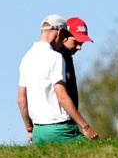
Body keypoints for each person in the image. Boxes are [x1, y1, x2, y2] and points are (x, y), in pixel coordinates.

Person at [17, 14, 99, 145]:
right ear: (60, 32)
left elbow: (21, 100)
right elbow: (62, 96)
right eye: (65, 36)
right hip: (61, 129)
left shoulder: (26, 58)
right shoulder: (55, 57)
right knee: (99, 152)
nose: (64, 40)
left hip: (38, 131)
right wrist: (85, 127)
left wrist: (29, 129)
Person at [59, 17, 93, 110]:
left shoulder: (67, 57)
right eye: (76, 42)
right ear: (64, 36)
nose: (79, 47)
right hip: (59, 120)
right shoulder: (57, 57)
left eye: (81, 43)